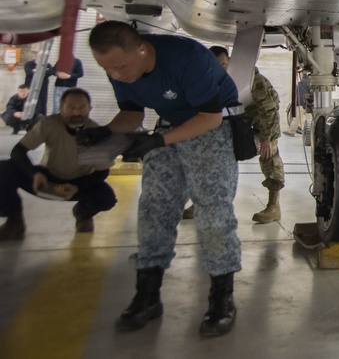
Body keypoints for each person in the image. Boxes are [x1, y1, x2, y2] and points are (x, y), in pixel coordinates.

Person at [79, 21, 241, 337]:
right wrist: (106, 131)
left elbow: (210, 117)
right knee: (153, 210)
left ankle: (222, 300)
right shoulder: (120, 67)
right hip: (171, 126)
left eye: (121, 67)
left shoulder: (185, 57)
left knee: (213, 216)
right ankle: (147, 297)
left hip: (213, 128)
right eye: (107, 69)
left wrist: (156, 142)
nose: (115, 75)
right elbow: (132, 113)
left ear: (141, 49)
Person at [0, 88, 117, 240]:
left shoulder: (97, 133)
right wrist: (34, 174)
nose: (76, 113)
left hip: (80, 183)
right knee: (3, 169)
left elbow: (102, 172)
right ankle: (14, 220)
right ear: (61, 108)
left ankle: (83, 214)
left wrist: (78, 186)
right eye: (71, 107)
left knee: (107, 198)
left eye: (81, 108)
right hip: (46, 181)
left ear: (90, 109)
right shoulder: (49, 124)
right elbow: (18, 151)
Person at [204, 46, 283, 224]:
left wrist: (266, 138)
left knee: (269, 157)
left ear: (230, 62)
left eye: (223, 64)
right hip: (238, 119)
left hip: (264, 120)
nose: (220, 69)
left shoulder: (252, 80)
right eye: (215, 65)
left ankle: (274, 206)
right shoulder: (210, 78)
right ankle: (205, 201)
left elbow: (268, 110)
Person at [24, 50, 54, 115]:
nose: (40, 57)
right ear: (36, 56)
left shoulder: (47, 65)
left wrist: (36, 71)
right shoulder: (29, 64)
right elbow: (29, 72)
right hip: (30, 88)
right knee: (30, 104)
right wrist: (43, 72)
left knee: (43, 104)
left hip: (42, 88)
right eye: (39, 56)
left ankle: (42, 119)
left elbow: (50, 72)